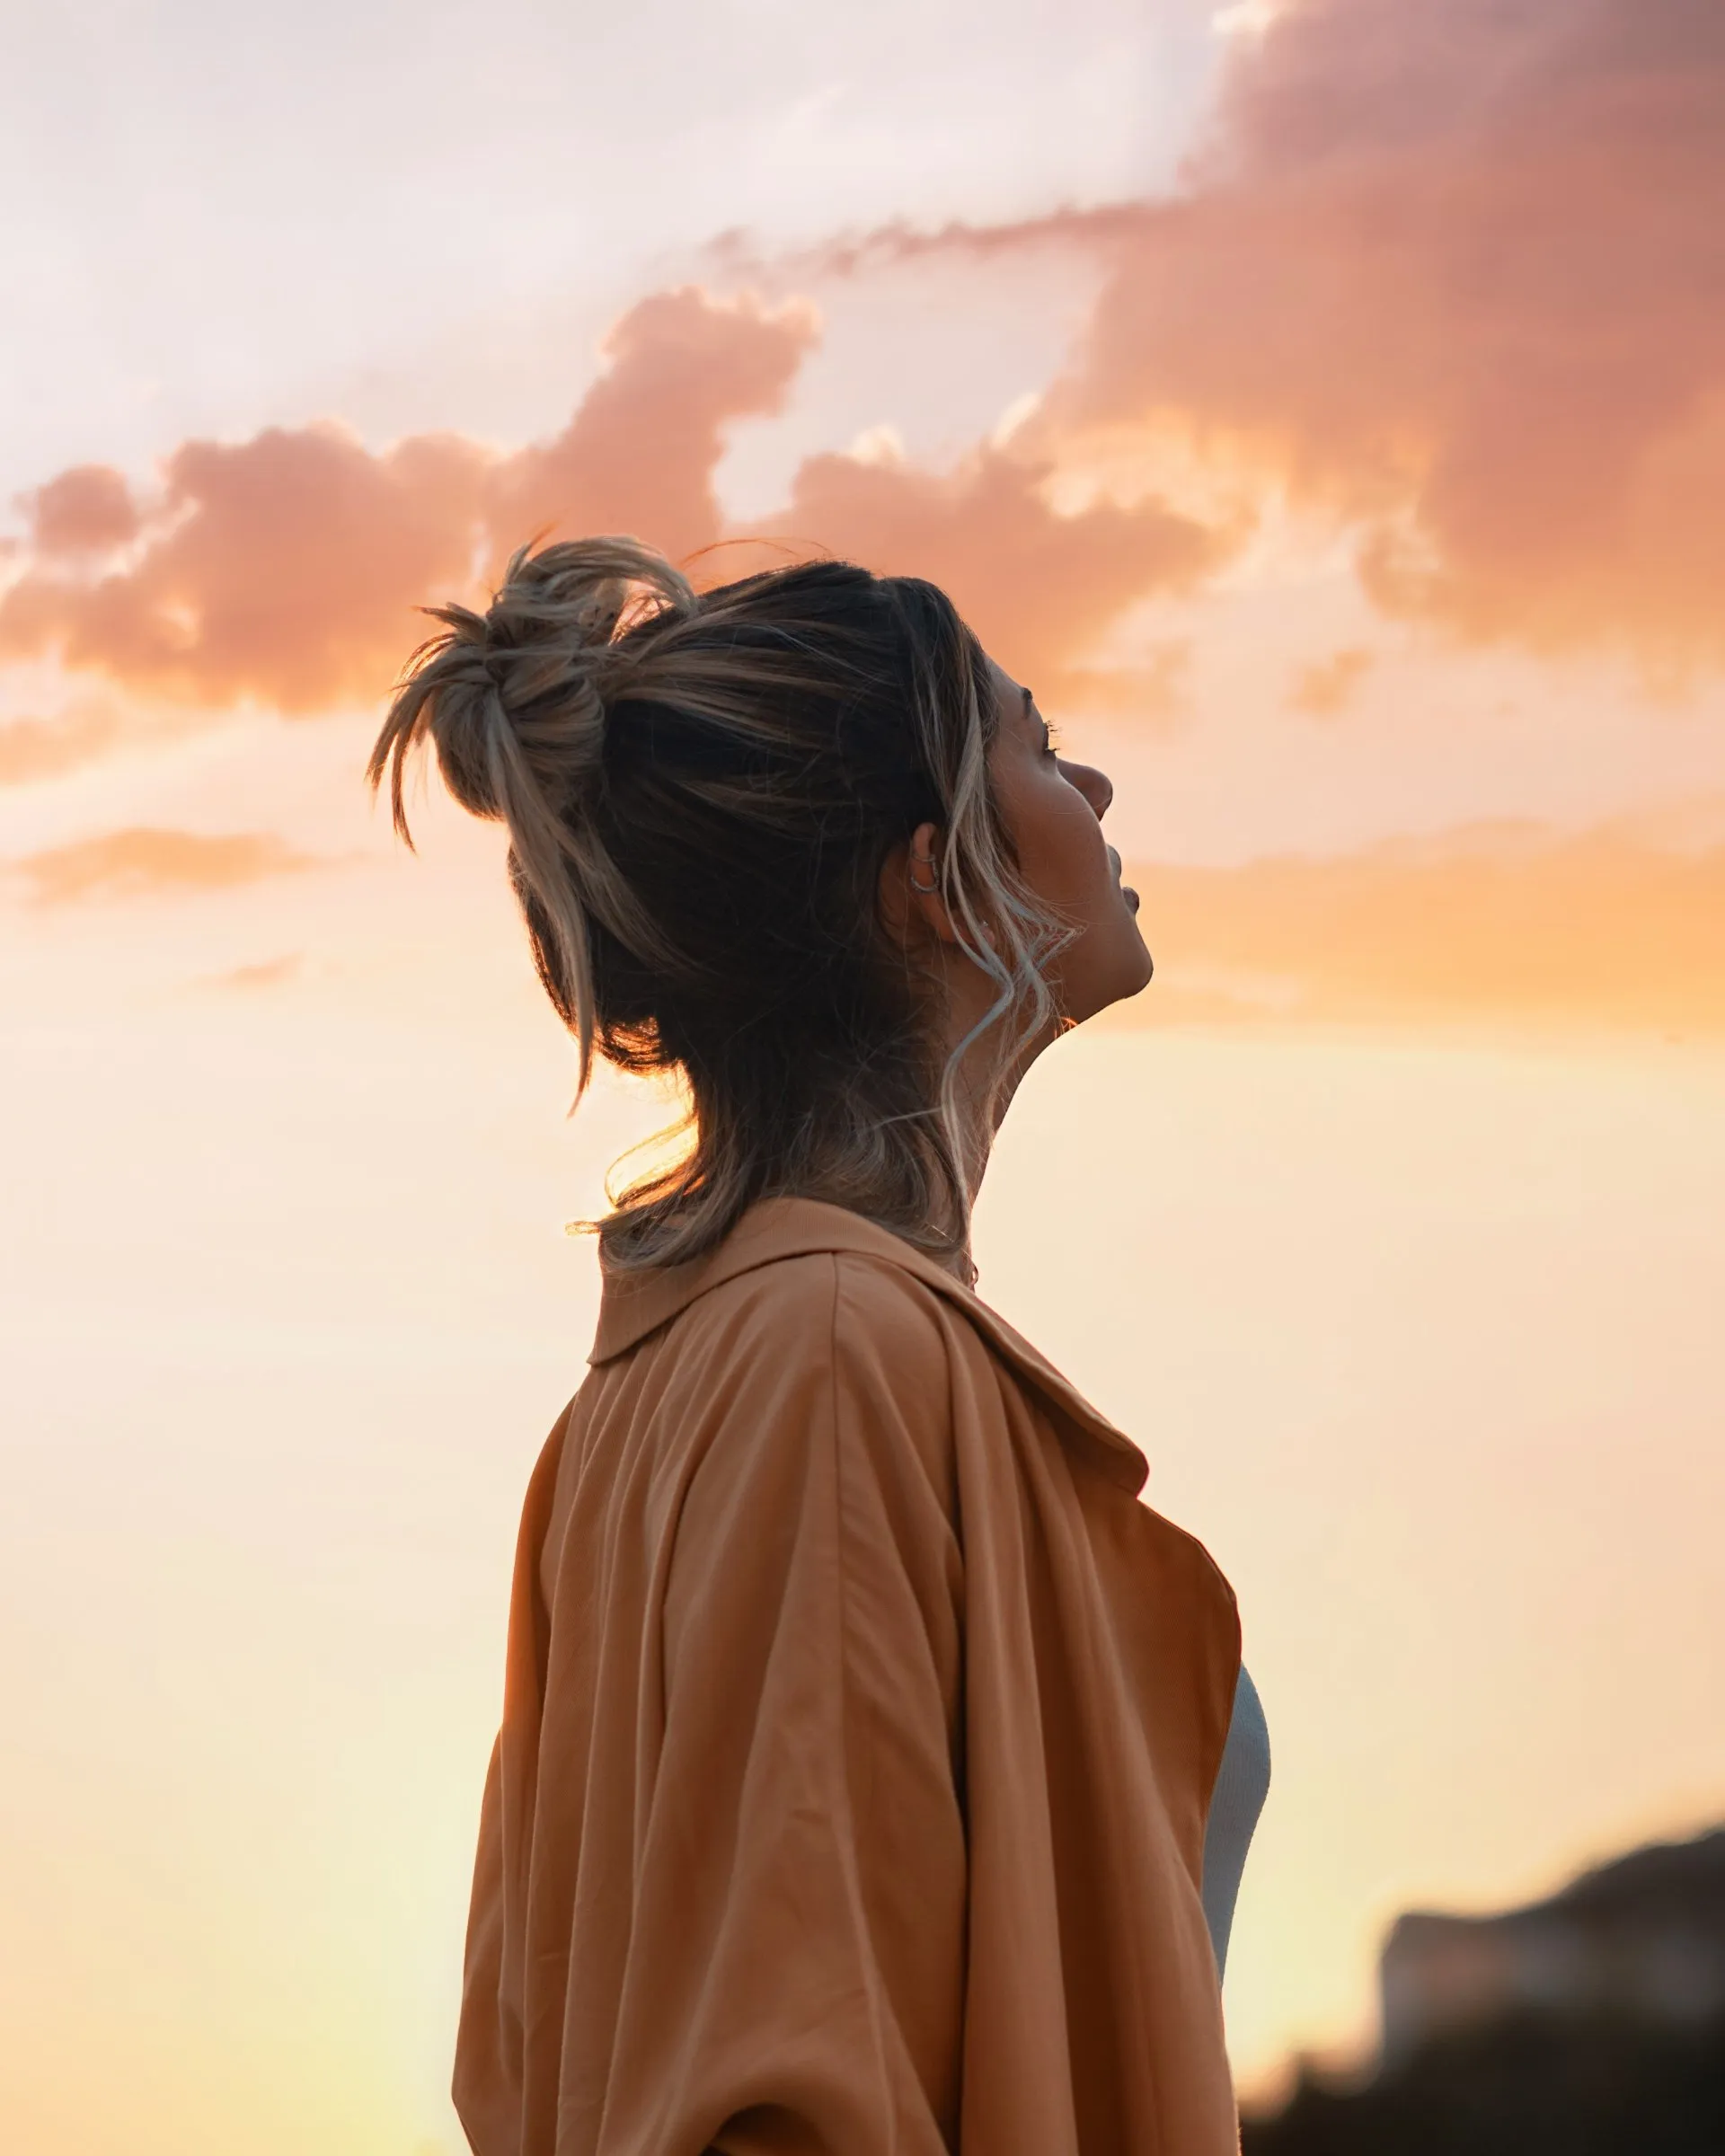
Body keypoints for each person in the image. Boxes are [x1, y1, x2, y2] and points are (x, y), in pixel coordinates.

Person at [369, 536, 1270, 2156]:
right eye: (1037, 746)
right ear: (935, 881)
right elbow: (794, 2080)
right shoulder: (831, 1347)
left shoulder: (671, 1382)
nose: (1102, 784)